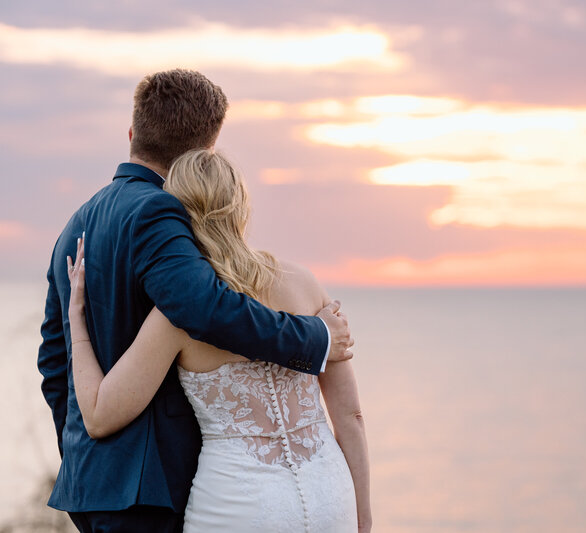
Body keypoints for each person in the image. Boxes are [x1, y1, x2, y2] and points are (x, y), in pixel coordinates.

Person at [37, 69, 354, 533]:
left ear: (132, 133)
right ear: (203, 155)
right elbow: (203, 308)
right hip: (151, 484)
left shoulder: (75, 225)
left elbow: (53, 362)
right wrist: (315, 337)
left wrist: (86, 462)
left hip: (94, 485)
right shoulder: (159, 209)